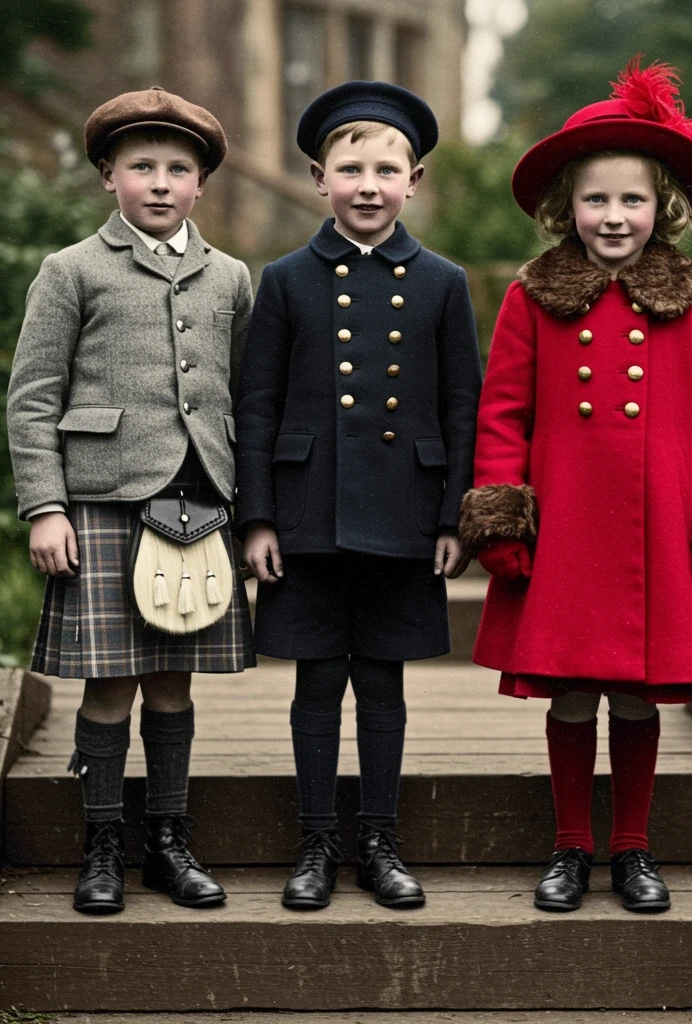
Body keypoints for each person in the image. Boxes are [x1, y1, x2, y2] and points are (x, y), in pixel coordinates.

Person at [458, 59, 692, 914]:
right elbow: (503, 414)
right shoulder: (532, 299)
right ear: (565, 206)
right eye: (596, 199)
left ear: (661, 207)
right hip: (566, 526)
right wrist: (502, 514)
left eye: (632, 199)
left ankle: (634, 849)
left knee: (639, 694)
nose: (613, 215)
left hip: (660, 528)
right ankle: (570, 847)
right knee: (571, 691)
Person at [7, 86, 255, 915]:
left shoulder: (231, 277)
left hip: (198, 501)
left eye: (178, 169)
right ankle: (103, 845)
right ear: (107, 175)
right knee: (110, 683)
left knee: (174, 684)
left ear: (200, 183)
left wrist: (251, 506)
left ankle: (169, 842)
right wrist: (45, 506)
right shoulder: (71, 270)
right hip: (101, 501)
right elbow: (33, 398)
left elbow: (246, 394)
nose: (160, 182)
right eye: (141, 166)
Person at [235, 81, 482, 910]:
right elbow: (257, 405)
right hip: (307, 513)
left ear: (414, 181)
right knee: (314, 683)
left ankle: (380, 842)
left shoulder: (443, 283)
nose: (368, 187)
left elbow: (462, 406)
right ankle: (315, 845)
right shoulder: (285, 280)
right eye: (350, 170)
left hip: (404, 513)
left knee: (382, 682)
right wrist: (258, 518)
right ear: (319, 179)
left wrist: (454, 517)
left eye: (386, 170)